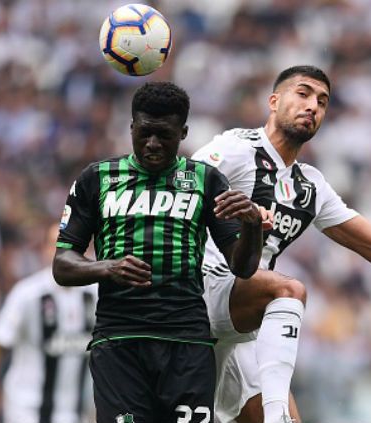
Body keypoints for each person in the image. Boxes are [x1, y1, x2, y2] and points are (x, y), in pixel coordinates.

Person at [191, 65, 371, 423]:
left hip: (241, 322)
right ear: (274, 100)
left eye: (322, 101)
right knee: (288, 291)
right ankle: (276, 410)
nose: (313, 106)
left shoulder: (310, 185)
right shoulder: (234, 149)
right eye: (303, 93)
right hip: (199, 291)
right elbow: (178, 194)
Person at [52, 81, 265, 423]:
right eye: (145, 132)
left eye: (164, 134)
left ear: (183, 132)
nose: (152, 143)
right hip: (120, 341)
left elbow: (244, 267)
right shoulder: (96, 179)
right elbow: (62, 265)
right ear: (132, 127)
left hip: (187, 343)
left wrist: (253, 225)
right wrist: (107, 267)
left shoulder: (207, 181)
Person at [0, 225, 97, 423]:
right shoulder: (27, 295)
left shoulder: (94, 297)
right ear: (45, 251)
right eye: (57, 246)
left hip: (74, 415)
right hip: (26, 412)